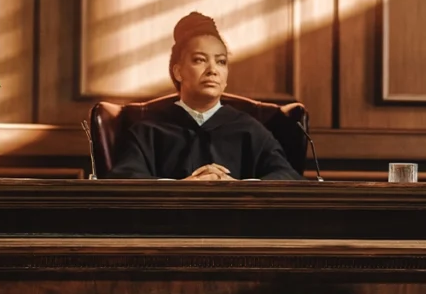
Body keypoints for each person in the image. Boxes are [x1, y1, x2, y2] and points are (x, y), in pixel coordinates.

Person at [107, 11, 304, 181]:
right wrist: (181, 187)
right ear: (178, 72)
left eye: (221, 62)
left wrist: (237, 186)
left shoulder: (250, 130)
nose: (212, 70)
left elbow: (286, 177)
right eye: (200, 60)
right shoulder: (148, 131)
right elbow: (124, 180)